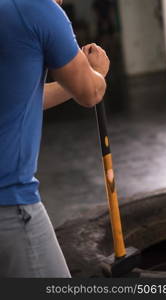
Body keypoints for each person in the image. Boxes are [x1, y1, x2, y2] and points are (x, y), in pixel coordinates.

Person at [0, 0, 110, 278]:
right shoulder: (39, 9)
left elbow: (20, 98)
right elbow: (90, 93)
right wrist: (96, 72)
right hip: (9, 203)